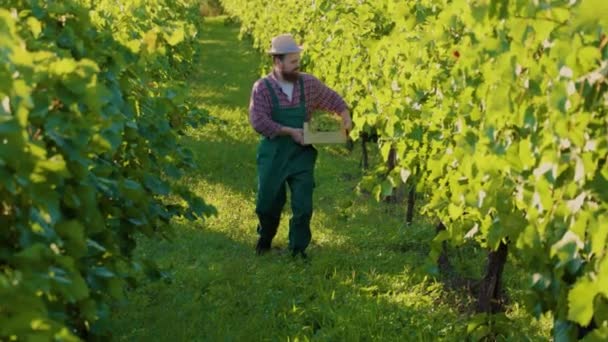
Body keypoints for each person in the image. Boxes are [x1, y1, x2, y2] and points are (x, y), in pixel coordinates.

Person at [248, 34, 352, 258]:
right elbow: (258, 120)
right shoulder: (263, 88)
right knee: (267, 203)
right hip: (274, 153)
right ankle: (265, 237)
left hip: (301, 154)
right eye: (293, 61)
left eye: (298, 60)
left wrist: (344, 115)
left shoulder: (308, 83)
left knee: (303, 206)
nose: (298, 65)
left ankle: (297, 249)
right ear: (278, 62)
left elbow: (332, 99)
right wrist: (288, 131)